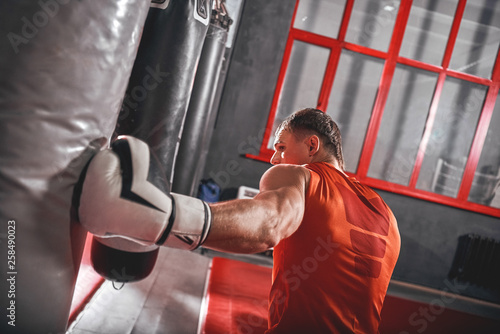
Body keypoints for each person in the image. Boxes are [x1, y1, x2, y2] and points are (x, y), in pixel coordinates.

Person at [79, 108, 400, 333]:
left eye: (282, 147)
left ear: (312, 145)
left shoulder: (301, 176)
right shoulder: (386, 214)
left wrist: (161, 218)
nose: (274, 158)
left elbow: (269, 225)